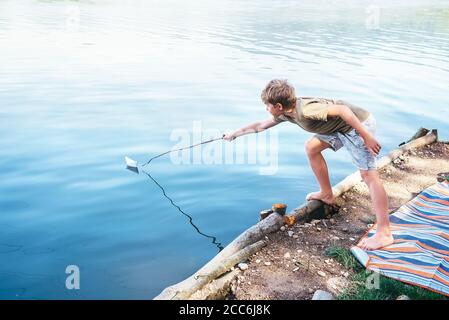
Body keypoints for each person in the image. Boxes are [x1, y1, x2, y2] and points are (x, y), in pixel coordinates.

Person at [224, 79, 393, 250]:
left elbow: (343, 110)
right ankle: (327, 194)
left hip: (357, 125)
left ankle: (384, 233)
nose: (266, 109)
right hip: (337, 128)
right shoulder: (285, 113)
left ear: (279, 106)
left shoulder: (306, 110)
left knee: (368, 176)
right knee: (311, 148)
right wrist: (235, 134)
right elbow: (261, 125)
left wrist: (366, 136)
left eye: (267, 105)